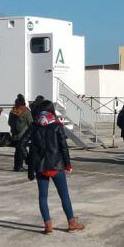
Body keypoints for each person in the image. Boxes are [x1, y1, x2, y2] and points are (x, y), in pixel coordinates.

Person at [25, 100, 85, 234]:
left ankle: (48, 226)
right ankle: (71, 222)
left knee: (42, 197)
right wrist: (68, 164)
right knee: (64, 196)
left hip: (41, 168)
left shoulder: (34, 126)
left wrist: (28, 159)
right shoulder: (57, 126)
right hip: (56, 166)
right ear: (51, 111)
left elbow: (21, 144)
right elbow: (64, 147)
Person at [8, 94, 33, 172]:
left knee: (17, 150)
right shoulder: (26, 111)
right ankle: (20, 166)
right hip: (23, 134)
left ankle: (17, 166)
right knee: (21, 150)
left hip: (14, 134)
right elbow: (31, 123)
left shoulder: (12, 111)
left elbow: (9, 122)